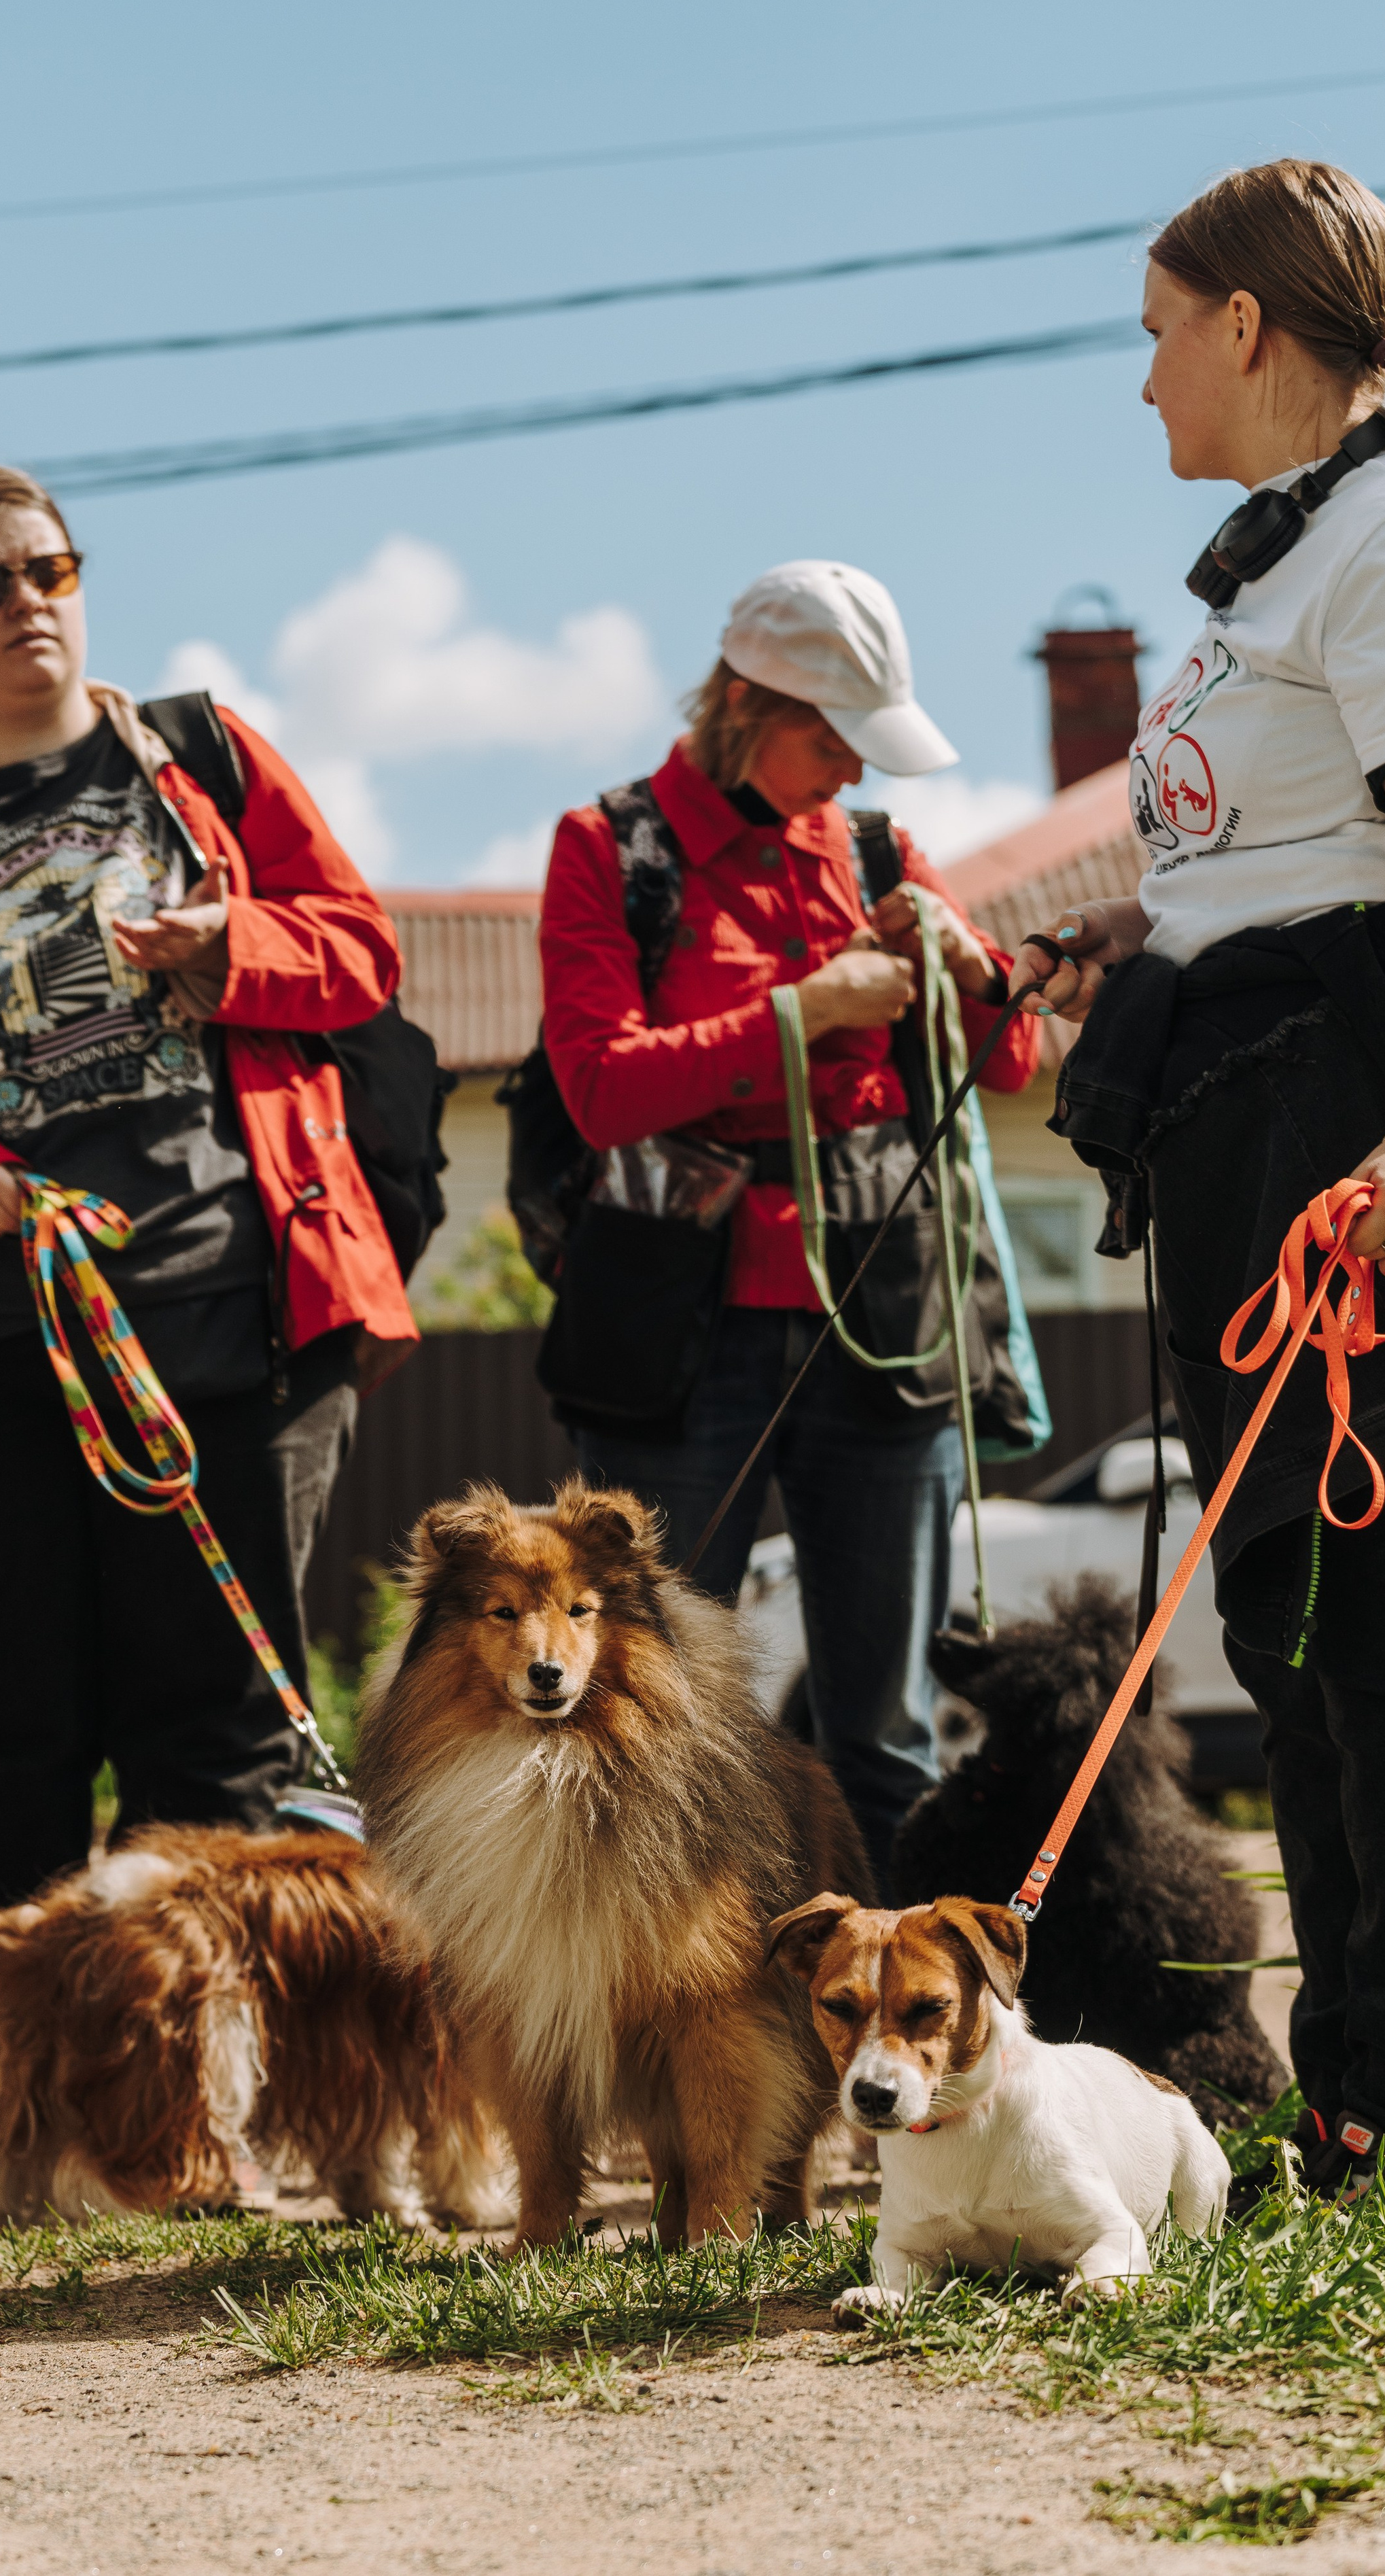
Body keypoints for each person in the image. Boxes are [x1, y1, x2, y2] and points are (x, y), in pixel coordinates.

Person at [0, 463, 417, 1924]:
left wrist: (234, 945)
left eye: (51, 571)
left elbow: (362, 950)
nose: (28, 604)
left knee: (217, 1738)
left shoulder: (200, 759)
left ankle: (190, 2056)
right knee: (1, 1742)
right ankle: (8, 2061)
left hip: (220, 1316)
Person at [1014, 162, 1385, 2199]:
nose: (1142, 381)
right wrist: (1139, 937)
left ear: (1244, 325)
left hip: (1350, 1138)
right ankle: (1359, 2095)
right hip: (1244, 1120)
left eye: (1154, 334)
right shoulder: (1282, 559)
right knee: (1294, 1633)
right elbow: (1291, 853)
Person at [538, 560, 1040, 1880]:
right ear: (744, 704)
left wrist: (963, 957)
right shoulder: (609, 848)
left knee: (888, 1727)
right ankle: (661, 1991)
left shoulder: (877, 852)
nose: (853, 771)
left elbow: (1010, 1061)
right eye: (833, 738)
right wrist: (801, 1015)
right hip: (674, 1335)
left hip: (879, 1322)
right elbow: (598, 1087)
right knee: (641, 1714)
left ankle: (892, 1992)